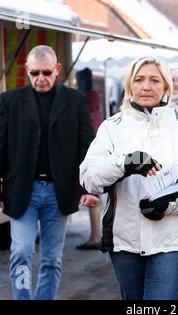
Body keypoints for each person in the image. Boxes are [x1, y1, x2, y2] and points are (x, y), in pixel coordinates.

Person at [79, 56, 178, 300]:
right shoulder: (112, 126)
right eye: (139, 80)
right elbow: (89, 179)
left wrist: (167, 204)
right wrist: (124, 164)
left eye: (154, 80)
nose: (146, 86)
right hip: (123, 242)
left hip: (171, 240)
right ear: (129, 85)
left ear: (166, 86)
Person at [0, 45, 98, 300]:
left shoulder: (75, 100)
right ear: (27, 71)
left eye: (46, 72)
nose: (40, 78)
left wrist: (89, 188)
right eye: (35, 72)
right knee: (22, 252)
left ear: (57, 69)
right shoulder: (11, 100)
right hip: (22, 190)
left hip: (60, 191)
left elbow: (88, 148)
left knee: (51, 258)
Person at [75, 67, 103, 250]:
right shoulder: (99, 115)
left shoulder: (87, 117)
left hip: (90, 165)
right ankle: (96, 236)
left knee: (93, 200)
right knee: (95, 200)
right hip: (99, 164)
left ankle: (95, 237)